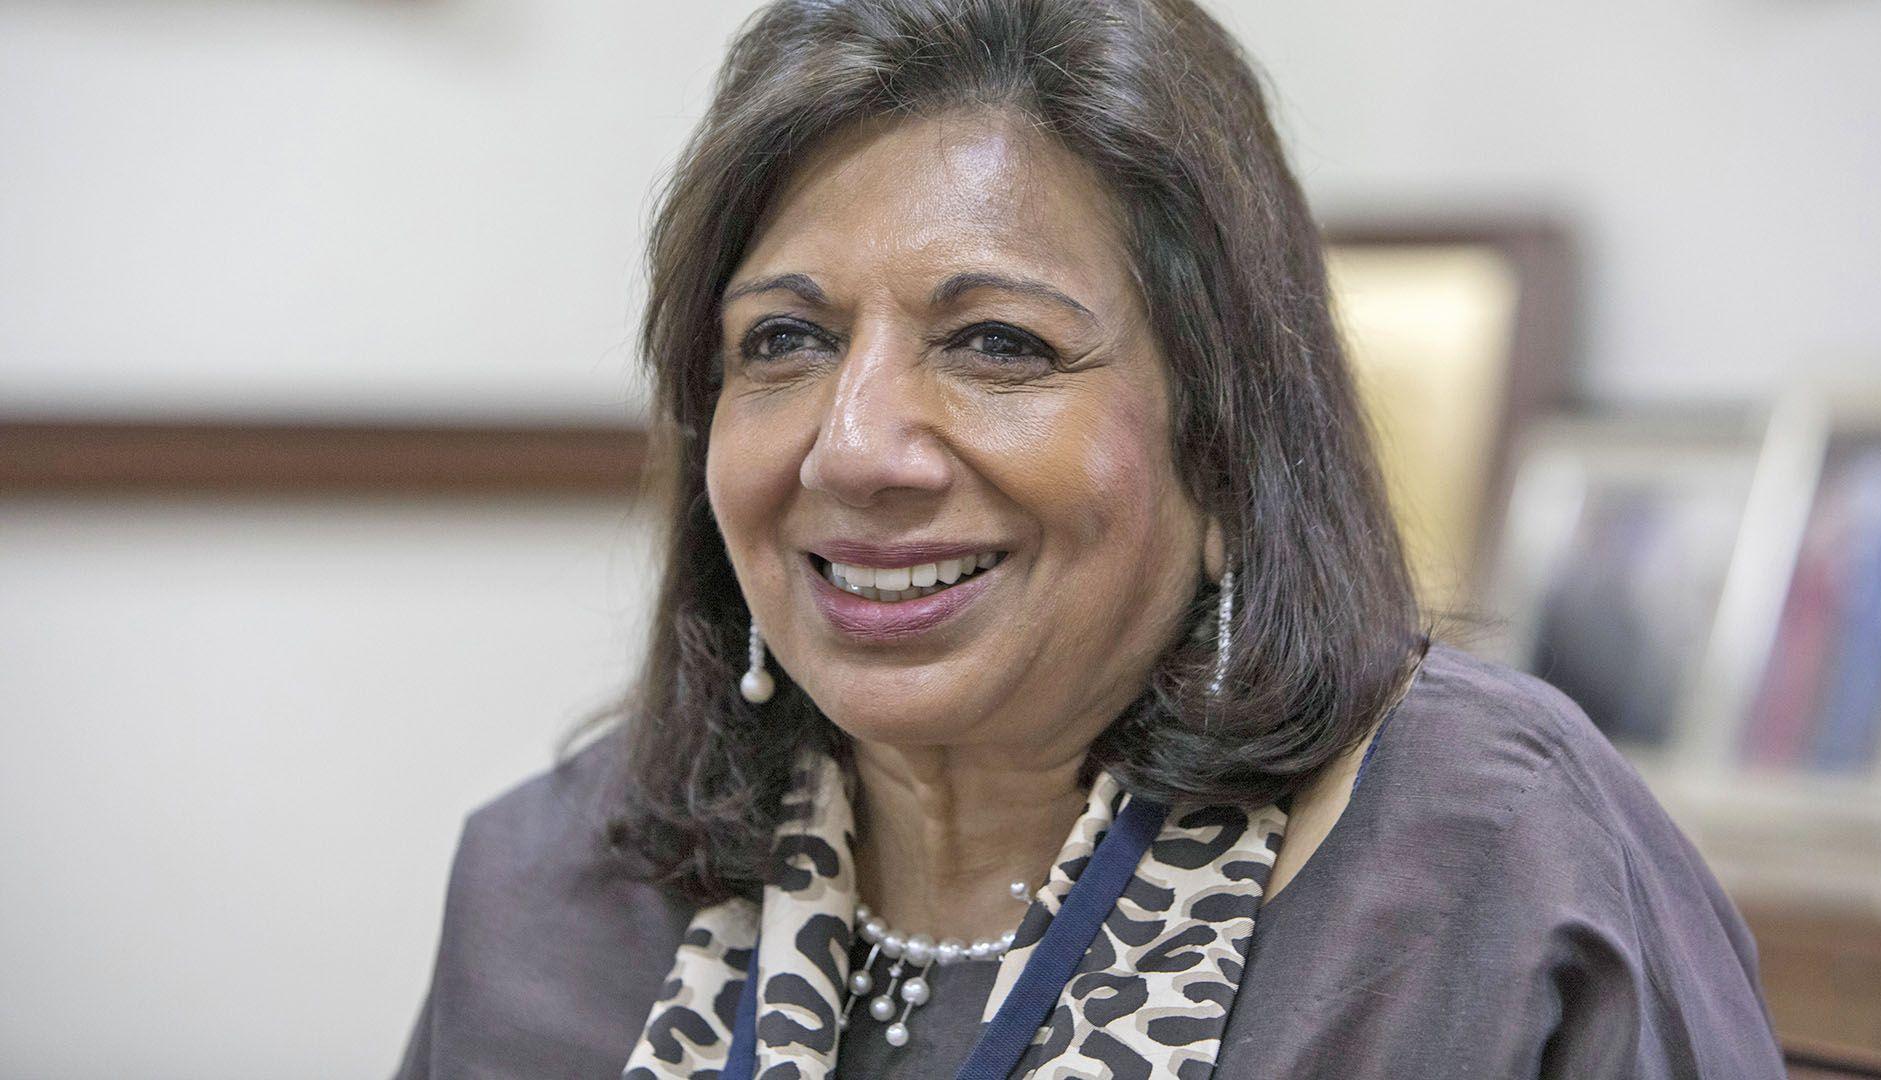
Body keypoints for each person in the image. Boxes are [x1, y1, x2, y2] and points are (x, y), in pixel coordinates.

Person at [395, 0, 1788, 1076]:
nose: (857, 446)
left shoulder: (1491, 865)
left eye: (997, 342)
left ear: (1226, 427)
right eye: (788, 341)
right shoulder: (552, 900)